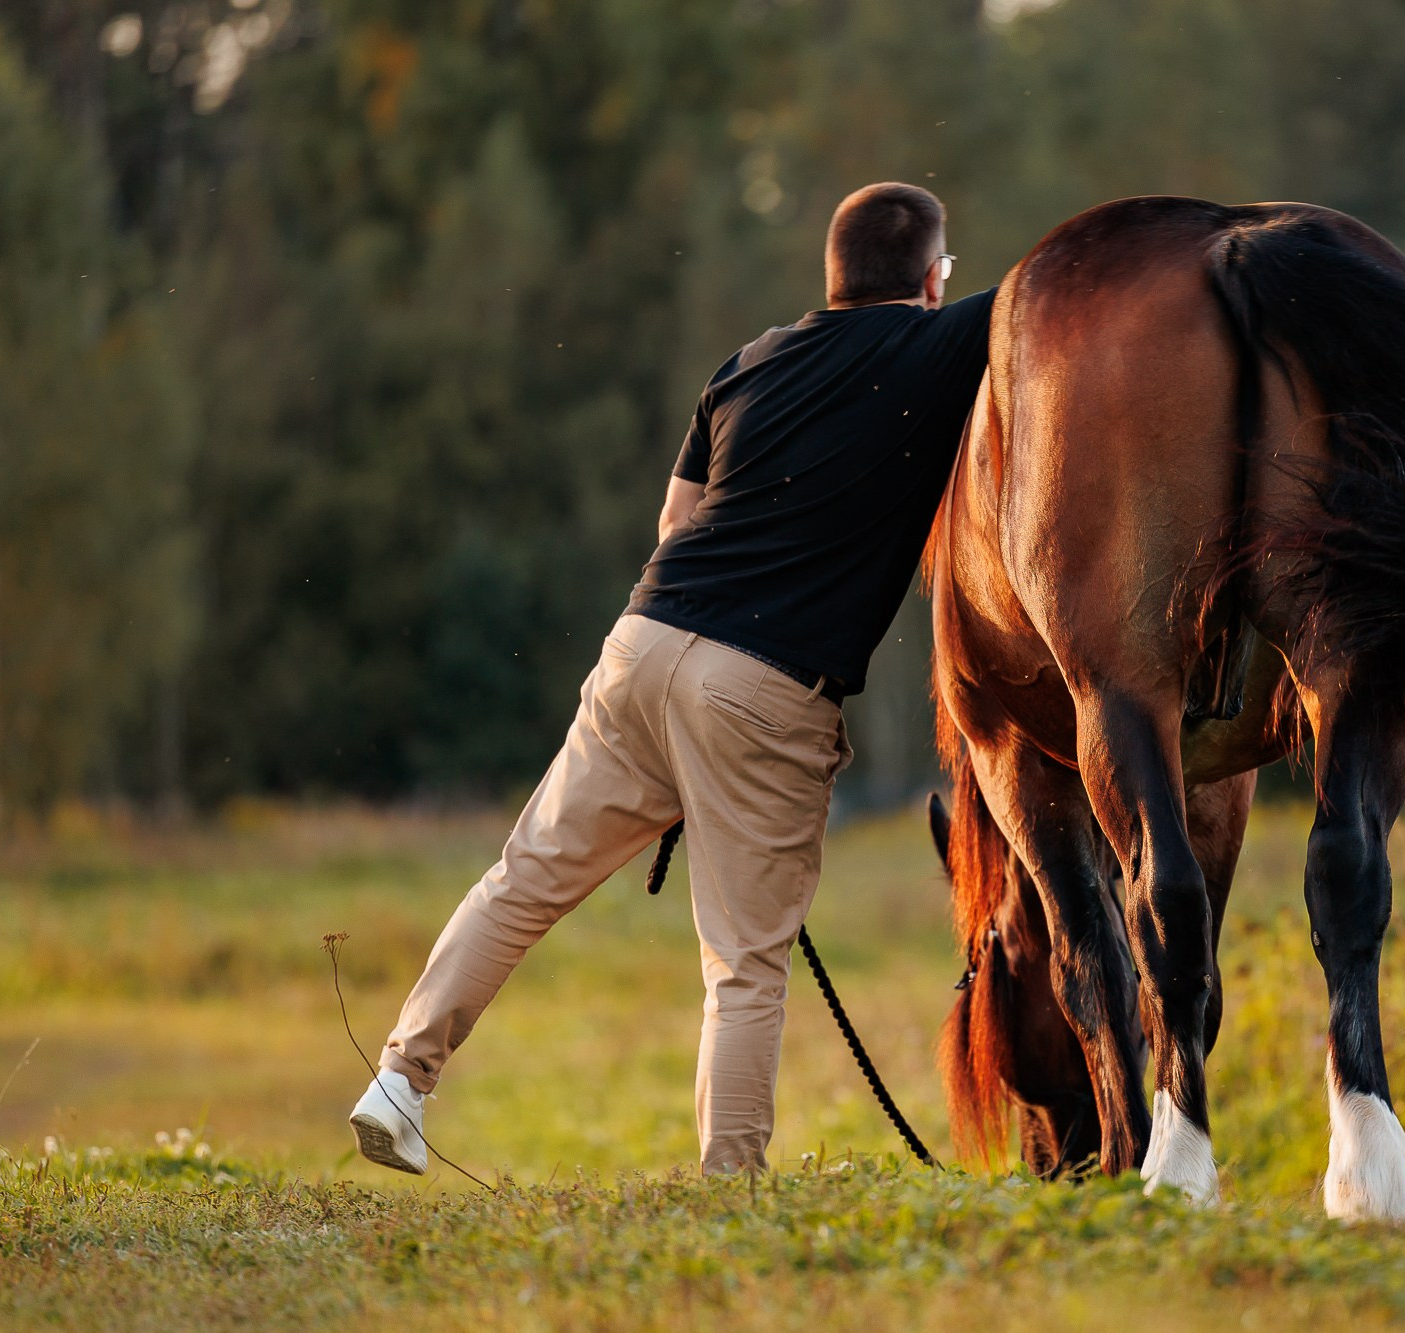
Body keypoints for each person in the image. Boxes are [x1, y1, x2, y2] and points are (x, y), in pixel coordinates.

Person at [348, 182, 996, 1177]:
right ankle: (727, 1191)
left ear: (830, 274)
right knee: (742, 961)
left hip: (642, 643)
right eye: (941, 273)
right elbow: (1048, 295)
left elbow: (673, 523)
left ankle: (398, 1081)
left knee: (522, 880)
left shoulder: (745, 366)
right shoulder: (937, 342)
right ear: (927, 278)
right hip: (767, 685)